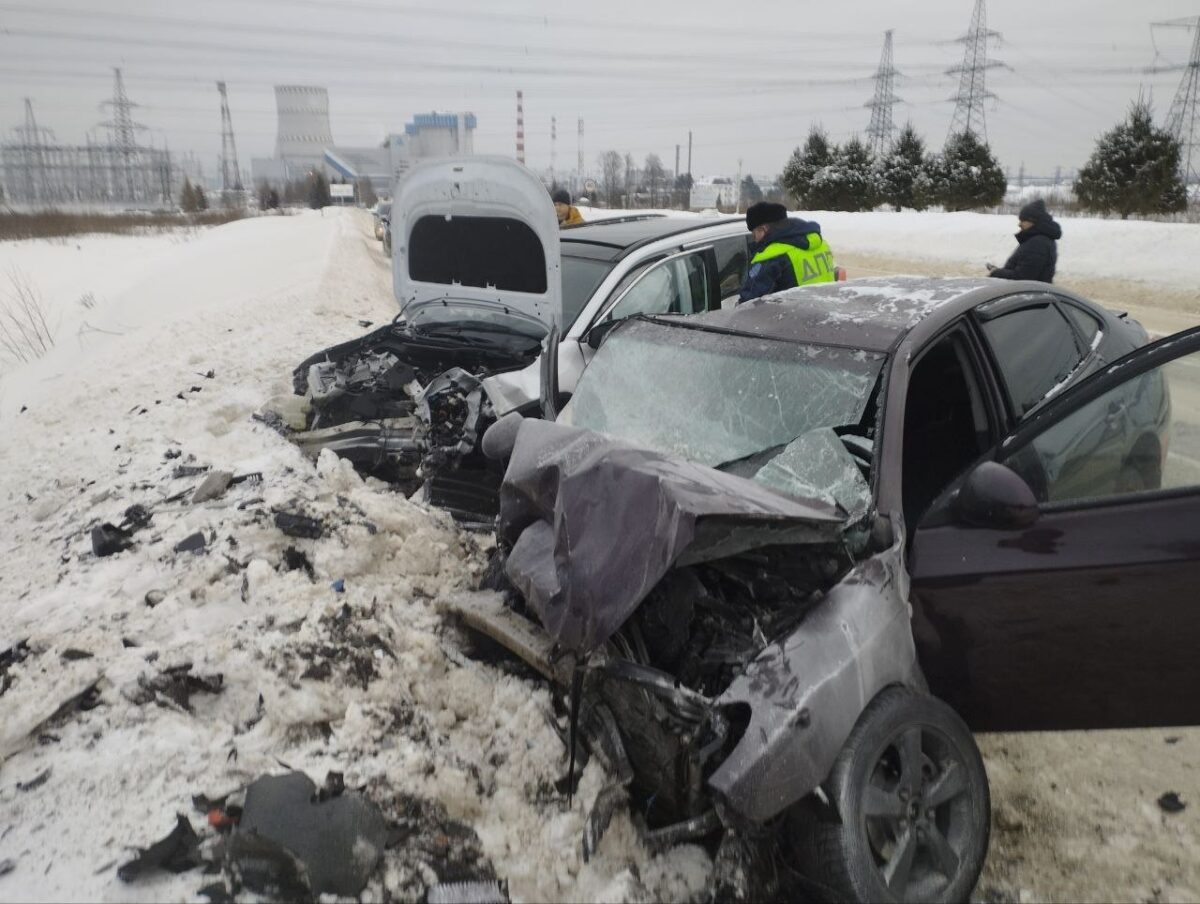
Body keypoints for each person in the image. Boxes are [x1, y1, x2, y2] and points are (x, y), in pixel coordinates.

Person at [738, 202, 836, 303]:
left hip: (793, 317)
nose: (755, 240)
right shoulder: (821, 244)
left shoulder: (771, 256)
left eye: (754, 234)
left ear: (763, 229)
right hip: (825, 313)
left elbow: (748, 303)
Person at [987, 198, 1061, 283]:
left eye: (1023, 220)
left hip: (1029, 294)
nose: (1019, 224)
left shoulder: (1038, 244)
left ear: (1033, 221)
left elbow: (1023, 279)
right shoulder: (1037, 239)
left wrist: (997, 273)